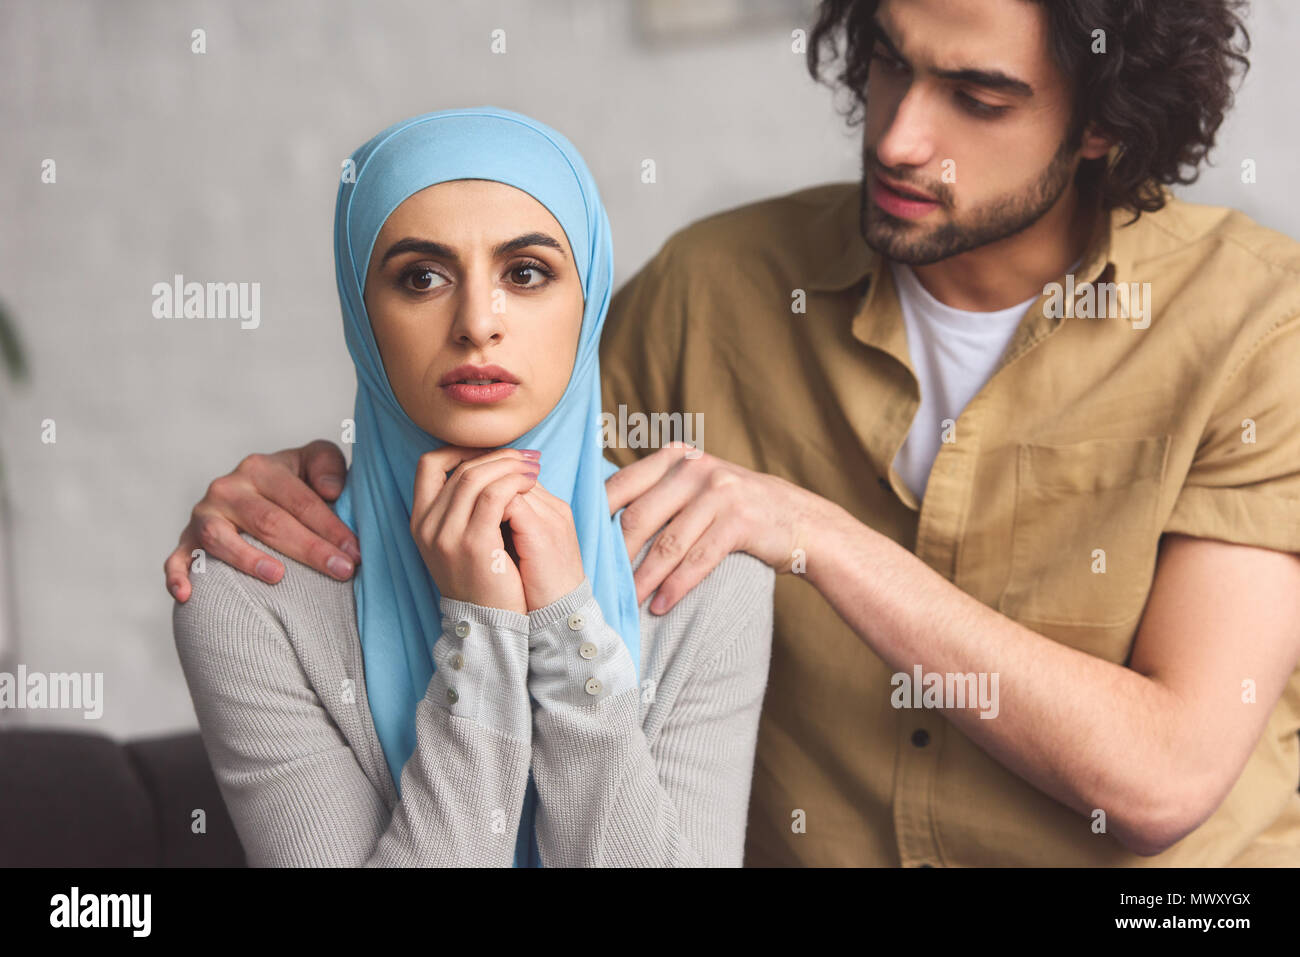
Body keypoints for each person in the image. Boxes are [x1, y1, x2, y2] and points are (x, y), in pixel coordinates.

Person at [167, 0, 1300, 866]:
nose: (899, 136)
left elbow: (1159, 777)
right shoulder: (714, 289)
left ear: (1104, 121)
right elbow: (495, 432)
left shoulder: (1257, 327)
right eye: (890, 60)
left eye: (978, 97)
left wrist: (812, 534)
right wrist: (287, 489)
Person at [171, 106, 774, 867]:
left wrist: (566, 628)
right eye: (421, 277)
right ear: (363, 315)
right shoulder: (249, 597)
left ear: (587, 301)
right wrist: (482, 634)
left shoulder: (706, 573)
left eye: (525, 273)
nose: (477, 322)